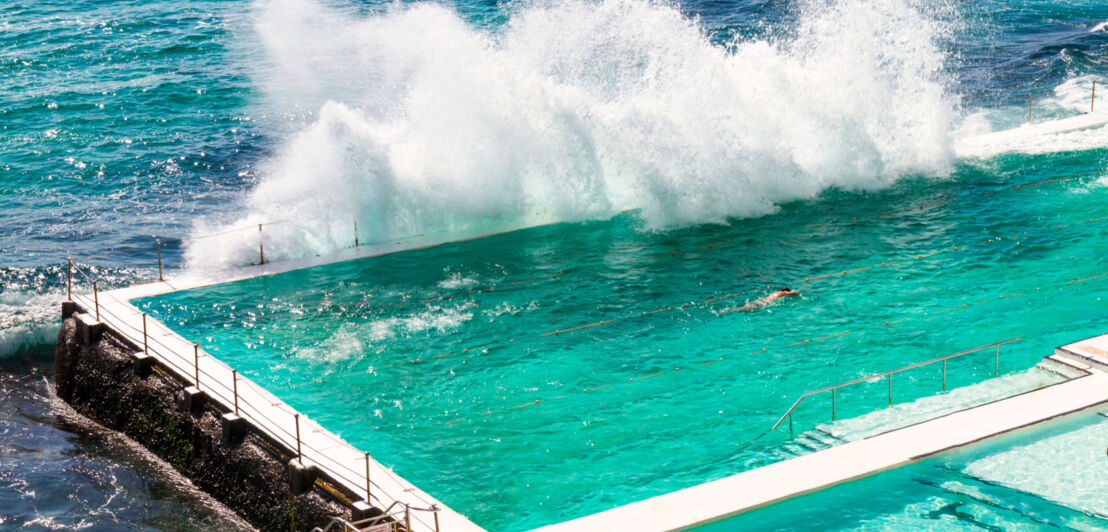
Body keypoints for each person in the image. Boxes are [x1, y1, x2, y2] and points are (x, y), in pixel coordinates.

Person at [722, 287, 800, 313]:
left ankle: (731, 310)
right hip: (762, 303)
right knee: (743, 309)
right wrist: (798, 295)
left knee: (745, 308)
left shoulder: (775, 293)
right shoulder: (783, 293)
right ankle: (729, 310)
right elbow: (794, 293)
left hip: (760, 301)